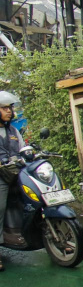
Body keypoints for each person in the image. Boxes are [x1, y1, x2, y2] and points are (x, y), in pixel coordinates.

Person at [0, 91, 23, 271]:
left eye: (10, 107)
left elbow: (23, 150)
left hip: (16, 173)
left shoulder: (14, 131)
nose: (9, 111)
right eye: (5, 108)